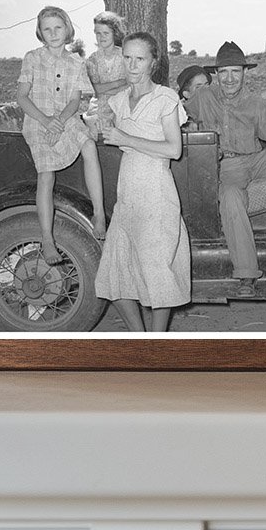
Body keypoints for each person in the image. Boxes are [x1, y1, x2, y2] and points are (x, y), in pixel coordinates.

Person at [184, 40, 266, 297]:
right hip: (227, 167)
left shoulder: (255, 103)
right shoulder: (203, 98)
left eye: (235, 71)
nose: (230, 78)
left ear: (245, 73)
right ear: (216, 75)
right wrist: (193, 130)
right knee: (231, 196)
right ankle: (246, 274)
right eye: (224, 72)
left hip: (258, 160)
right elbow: (178, 115)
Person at [95, 32, 191, 332]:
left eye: (140, 59)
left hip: (155, 191)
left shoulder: (165, 98)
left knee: (158, 273)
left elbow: (174, 149)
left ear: (153, 63)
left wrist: (125, 138)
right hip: (127, 193)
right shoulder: (118, 100)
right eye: (127, 58)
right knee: (113, 273)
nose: (132, 65)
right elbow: (102, 130)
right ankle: (140, 338)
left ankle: (157, 341)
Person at [15, 6, 106, 264]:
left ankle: (98, 213)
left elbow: (75, 100)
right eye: (47, 29)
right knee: (46, 174)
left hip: (66, 118)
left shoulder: (76, 62)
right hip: (37, 120)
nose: (53, 33)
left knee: (88, 145)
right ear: (40, 33)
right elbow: (22, 97)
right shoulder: (32, 58)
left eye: (58, 27)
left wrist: (61, 122)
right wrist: (46, 122)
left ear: (67, 29)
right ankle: (47, 238)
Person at [86, 11, 129, 102]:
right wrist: (119, 83)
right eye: (98, 33)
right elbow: (96, 89)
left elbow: (132, 84)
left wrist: (107, 89)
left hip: (125, 105)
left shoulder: (126, 55)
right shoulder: (92, 60)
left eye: (106, 33)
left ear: (115, 33)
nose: (102, 37)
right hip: (100, 108)